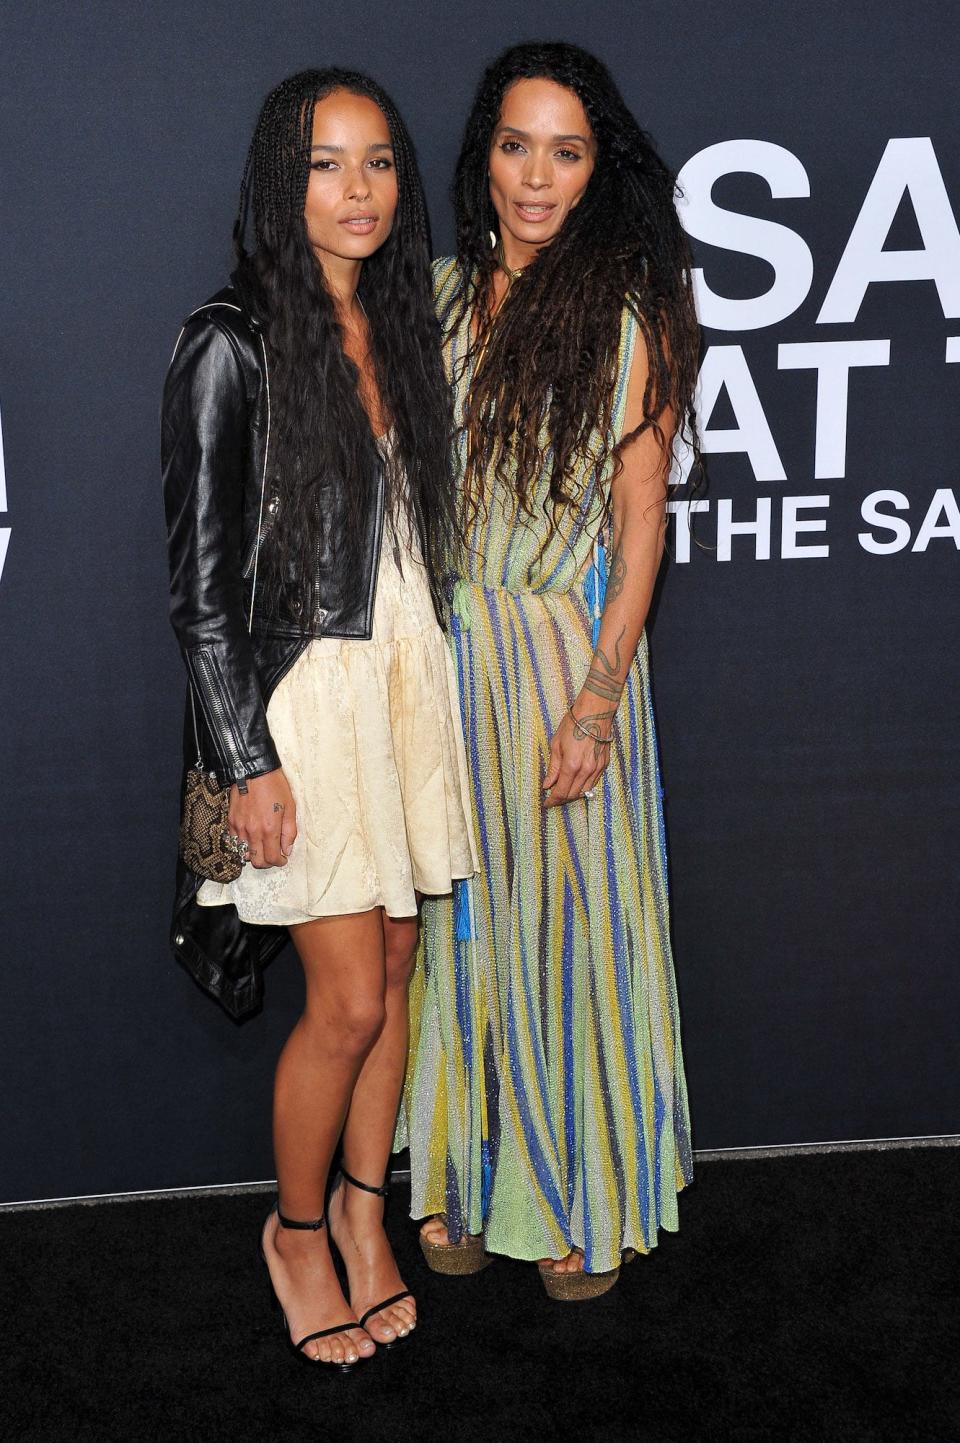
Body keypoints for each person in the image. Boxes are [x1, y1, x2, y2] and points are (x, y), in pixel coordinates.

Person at [162, 69, 475, 1367]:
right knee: (344, 1000)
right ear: (279, 182)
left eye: (381, 163)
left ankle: (362, 1210)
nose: (360, 191)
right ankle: (295, 1230)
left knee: (400, 966)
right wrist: (246, 756)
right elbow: (199, 578)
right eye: (327, 164)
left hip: (405, 672)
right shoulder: (229, 337)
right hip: (306, 697)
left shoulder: (400, 322)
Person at [403, 41, 700, 1301]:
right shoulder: (427, 296)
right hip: (434, 659)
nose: (537, 175)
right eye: (517, 145)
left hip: (555, 665)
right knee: (452, 936)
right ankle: (465, 1174)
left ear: (597, 168)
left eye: (566, 150)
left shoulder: (631, 313)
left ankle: (570, 1191)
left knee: (562, 933)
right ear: (484, 155)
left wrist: (597, 698)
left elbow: (642, 528)